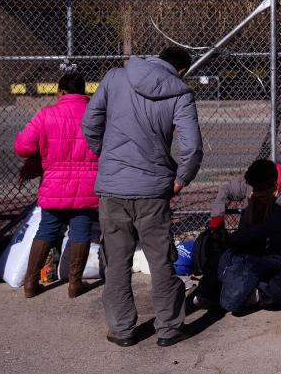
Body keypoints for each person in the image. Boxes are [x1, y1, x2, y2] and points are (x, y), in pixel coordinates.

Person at [81, 47, 204, 348]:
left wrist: (106, 157)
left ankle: (122, 329)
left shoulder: (114, 78)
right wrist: (180, 180)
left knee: (117, 262)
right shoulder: (180, 93)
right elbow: (192, 148)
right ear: (181, 71)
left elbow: (89, 123)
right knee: (161, 261)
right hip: (153, 190)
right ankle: (169, 328)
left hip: (113, 188)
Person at [13, 72, 100, 299]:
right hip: (88, 187)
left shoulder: (46, 114)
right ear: (85, 92)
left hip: (54, 186)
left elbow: (22, 147)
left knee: (47, 229)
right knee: (81, 231)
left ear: (61, 91)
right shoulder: (97, 115)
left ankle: (30, 284)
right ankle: (74, 284)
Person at [194, 159, 281, 311]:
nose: (255, 192)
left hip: (277, 246)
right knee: (221, 254)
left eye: (260, 189)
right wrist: (217, 218)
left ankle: (258, 294)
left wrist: (234, 238)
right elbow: (225, 189)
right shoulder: (251, 183)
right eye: (254, 188)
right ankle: (208, 293)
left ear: (273, 183)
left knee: (259, 265)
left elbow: (269, 229)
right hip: (247, 240)